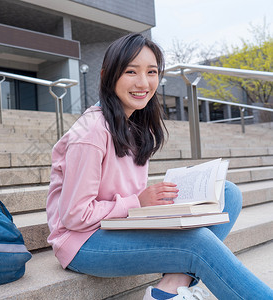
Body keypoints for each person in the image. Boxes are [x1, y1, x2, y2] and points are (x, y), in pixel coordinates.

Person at [46, 33, 273, 300]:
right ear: (107, 76)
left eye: (151, 72)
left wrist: (152, 204)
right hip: (83, 243)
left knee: (227, 193)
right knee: (196, 242)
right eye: (131, 71)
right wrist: (137, 202)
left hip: (120, 225)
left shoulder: (134, 124)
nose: (143, 83)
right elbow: (75, 215)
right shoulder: (92, 132)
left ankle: (167, 290)